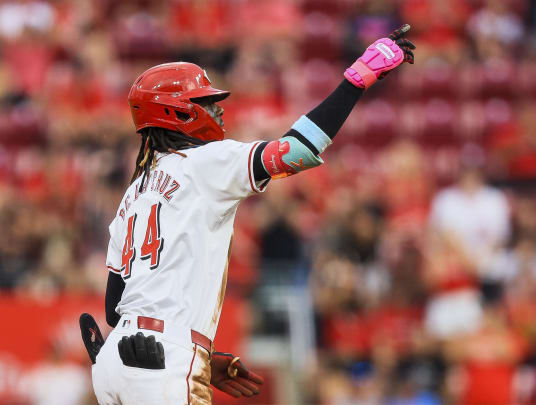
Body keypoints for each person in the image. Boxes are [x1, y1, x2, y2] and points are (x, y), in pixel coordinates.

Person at [82, 25, 416, 405]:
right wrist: (355, 81)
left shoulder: (134, 193)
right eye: (205, 102)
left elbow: (114, 306)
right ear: (177, 111)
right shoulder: (203, 162)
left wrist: (198, 354)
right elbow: (296, 151)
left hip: (114, 361)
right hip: (164, 356)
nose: (218, 109)